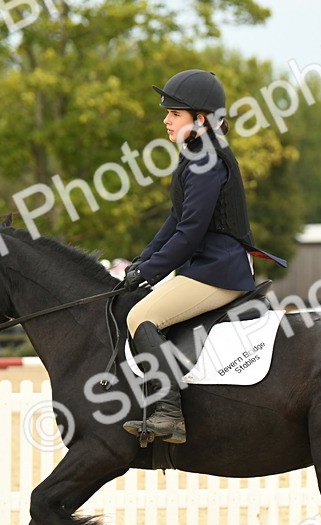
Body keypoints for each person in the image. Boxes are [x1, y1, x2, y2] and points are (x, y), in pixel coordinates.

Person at [120, 69, 281, 445]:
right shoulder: (196, 155)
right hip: (204, 267)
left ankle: (169, 413)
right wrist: (141, 263)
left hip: (218, 272)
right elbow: (175, 220)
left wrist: (150, 273)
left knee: (140, 315)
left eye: (174, 114)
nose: (166, 119)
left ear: (202, 119)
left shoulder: (207, 161)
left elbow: (190, 233)